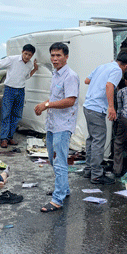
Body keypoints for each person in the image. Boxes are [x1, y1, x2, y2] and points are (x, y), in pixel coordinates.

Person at [34, 42, 79, 212]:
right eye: (52, 55)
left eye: (58, 55)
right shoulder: (56, 74)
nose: (55, 58)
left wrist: (47, 105)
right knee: (53, 161)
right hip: (52, 124)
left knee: (59, 162)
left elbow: (70, 100)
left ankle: (57, 199)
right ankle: (64, 189)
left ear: (66, 57)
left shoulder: (70, 76)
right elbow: (54, 97)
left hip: (63, 125)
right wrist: (45, 105)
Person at [82, 52, 127, 184]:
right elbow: (109, 85)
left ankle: (89, 170)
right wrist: (111, 107)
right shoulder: (117, 70)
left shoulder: (103, 66)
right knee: (98, 140)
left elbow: (87, 80)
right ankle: (97, 175)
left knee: (91, 139)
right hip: (97, 108)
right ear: (126, 65)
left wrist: (99, 82)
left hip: (88, 106)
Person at [0, 44, 39, 148]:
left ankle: (10, 137)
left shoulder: (29, 65)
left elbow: (26, 76)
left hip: (20, 91)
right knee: (6, 114)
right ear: (22, 52)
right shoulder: (12, 59)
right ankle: (3, 138)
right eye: (25, 54)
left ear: (32, 55)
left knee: (17, 114)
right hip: (9, 89)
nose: (27, 56)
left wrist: (35, 69)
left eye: (29, 55)